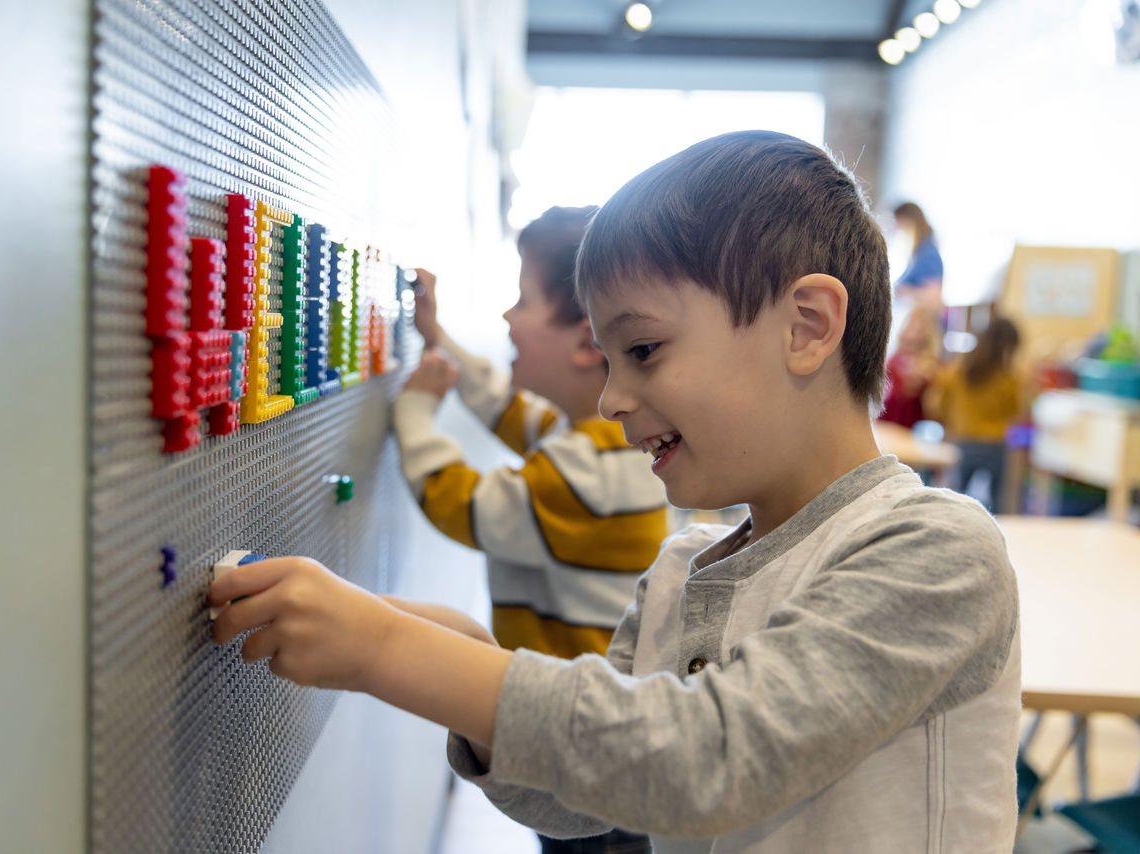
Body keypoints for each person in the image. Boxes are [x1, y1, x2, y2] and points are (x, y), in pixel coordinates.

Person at [209, 131, 1021, 853]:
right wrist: (468, 652)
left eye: (643, 350)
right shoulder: (681, 569)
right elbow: (587, 798)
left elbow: (708, 758)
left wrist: (389, 650)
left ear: (806, 327)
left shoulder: (935, 550)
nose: (611, 400)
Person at [396, 206, 669, 854]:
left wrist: (413, 416)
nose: (506, 317)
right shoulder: (596, 442)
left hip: (589, 766)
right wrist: (440, 339)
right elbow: (508, 407)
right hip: (589, 748)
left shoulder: (588, 472)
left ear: (585, 342)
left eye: (522, 301)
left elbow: (461, 503)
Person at [926, 315, 1024, 513]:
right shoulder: (1008, 377)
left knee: (956, 501)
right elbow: (1014, 411)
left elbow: (937, 404)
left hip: (963, 442)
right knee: (998, 505)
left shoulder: (958, 370)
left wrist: (952, 424)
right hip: (996, 444)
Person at [878, 304, 942, 429]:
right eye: (911, 326)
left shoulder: (932, 365)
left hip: (914, 426)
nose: (913, 333)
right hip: (889, 421)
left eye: (919, 329)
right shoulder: (894, 359)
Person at [892, 201, 944, 311]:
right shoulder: (918, 253)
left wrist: (904, 291)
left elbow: (934, 297)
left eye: (900, 225)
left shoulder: (928, 253)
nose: (897, 229)